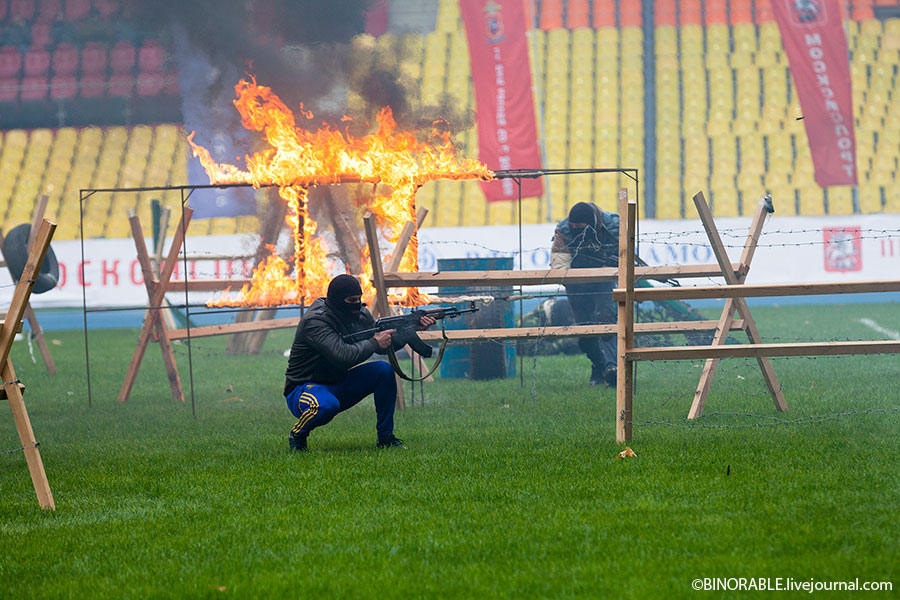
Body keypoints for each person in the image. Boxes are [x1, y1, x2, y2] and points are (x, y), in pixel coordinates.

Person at [283, 274, 435, 451]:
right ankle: (298, 434)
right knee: (325, 405)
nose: (357, 304)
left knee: (383, 370)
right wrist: (374, 342)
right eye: (352, 300)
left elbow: (382, 347)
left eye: (359, 298)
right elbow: (343, 355)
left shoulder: (360, 314)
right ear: (338, 300)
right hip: (304, 389)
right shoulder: (316, 322)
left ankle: (385, 437)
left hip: (339, 382)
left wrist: (411, 330)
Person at [550, 202, 620, 387]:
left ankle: (613, 368)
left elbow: (627, 256)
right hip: (576, 283)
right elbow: (559, 268)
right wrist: (572, 277)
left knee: (606, 321)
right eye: (573, 228)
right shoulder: (563, 231)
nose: (575, 232)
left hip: (605, 280)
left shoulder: (616, 225)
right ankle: (599, 366)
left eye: (579, 229)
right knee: (585, 331)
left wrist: (611, 268)